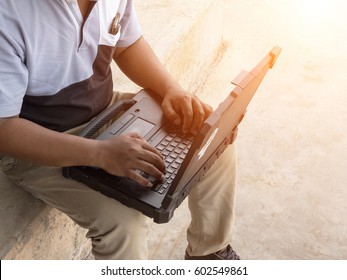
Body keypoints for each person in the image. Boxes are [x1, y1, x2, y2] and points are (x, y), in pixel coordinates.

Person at [0, 0, 239, 260]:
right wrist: (100, 154)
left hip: (108, 111)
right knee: (125, 223)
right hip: (41, 136)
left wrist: (171, 88)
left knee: (211, 143)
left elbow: (127, 45)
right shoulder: (9, 13)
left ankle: (210, 256)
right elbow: (4, 128)